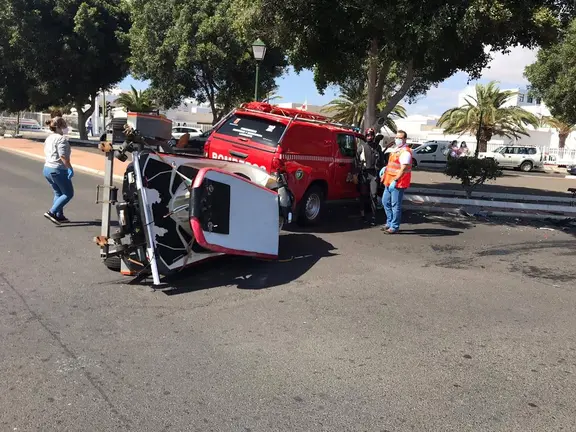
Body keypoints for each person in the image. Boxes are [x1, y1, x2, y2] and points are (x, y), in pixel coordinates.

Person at [43, 117, 74, 224]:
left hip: (47, 168)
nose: (66, 128)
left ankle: (59, 215)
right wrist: (70, 168)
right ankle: (52, 212)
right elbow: (63, 156)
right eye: (65, 125)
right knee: (68, 193)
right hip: (58, 169)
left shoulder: (49, 138)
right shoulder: (61, 139)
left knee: (58, 193)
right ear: (60, 127)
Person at [380, 130, 413, 234]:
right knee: (385, 202)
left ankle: (394, 226)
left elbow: (403, 169)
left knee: (395, 205)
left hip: (398, 182)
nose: (397, 139)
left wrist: (395, 180)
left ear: (404, 139)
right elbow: (394, 164)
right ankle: (389, 222)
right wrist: (385, 168)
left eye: (400, 138)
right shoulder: (396, 150)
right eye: (396, 137)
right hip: (389, 181)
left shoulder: (405, 152)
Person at [355, 127, 383, 225]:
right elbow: (356, 161)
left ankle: (373, 217)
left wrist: (381, 173)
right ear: (365, 136)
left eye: (371, 135)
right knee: (363, 195)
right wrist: (355, 173)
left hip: (374, 174)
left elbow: (382, 162)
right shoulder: (361, 147)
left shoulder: (378, 148)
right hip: (364, 174)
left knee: (373, 195)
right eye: (367, 135)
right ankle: (362, 215)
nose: (369, 137)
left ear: (374, 136)